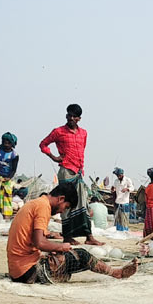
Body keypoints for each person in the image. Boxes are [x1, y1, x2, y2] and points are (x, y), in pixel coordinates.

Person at [7, 183, 137, 284]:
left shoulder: (37, 203)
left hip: (18, 270)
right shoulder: (43, 207)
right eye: (66, 207)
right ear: (61, 199)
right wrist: (60, 247)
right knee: (82, 255)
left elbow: (36, 240)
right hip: (27, 271)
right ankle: (116, 273)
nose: (63, 211)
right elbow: (39, 242)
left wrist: (53, 247)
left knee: (65, 261)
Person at [39, 104, 103, 245]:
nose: (71, 118)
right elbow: (43, 144)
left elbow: (82, 151)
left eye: (74, 116)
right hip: (66, 172)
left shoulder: (83, 133)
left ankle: (89, 236)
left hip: (79, 172)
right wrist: (54, 157)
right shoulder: (58, 131)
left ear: (79, 118)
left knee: (82, 204)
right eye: (69, 115)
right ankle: (67, 236)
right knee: (65, 203)